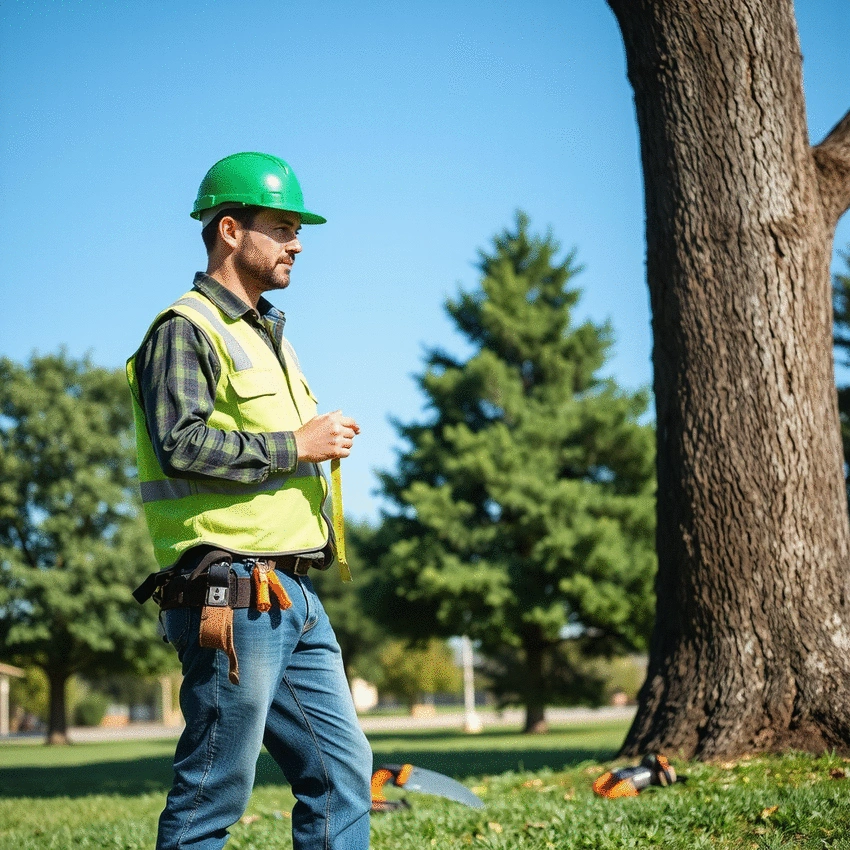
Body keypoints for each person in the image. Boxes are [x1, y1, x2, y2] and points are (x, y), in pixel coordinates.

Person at [127, 151, 373, 850]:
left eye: (299, 230)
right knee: (213, 792)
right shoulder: (185, 328)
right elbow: (182, 443)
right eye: (284, 226)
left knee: (342, 772)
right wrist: (297, 445)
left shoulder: (267, 336)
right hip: (230, 593)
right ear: (230, 230)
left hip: (292, 595)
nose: (298, 242)